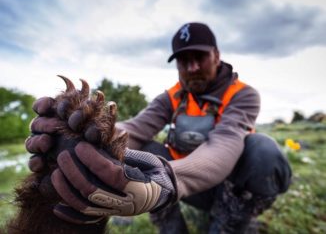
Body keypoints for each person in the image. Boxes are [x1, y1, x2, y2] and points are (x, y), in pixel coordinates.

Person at [26, 22, 292, 233]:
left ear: (217, 56)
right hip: (187, 191)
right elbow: (135, 128)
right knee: (146, 152)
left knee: (262, 150)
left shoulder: (243, 94)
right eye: (183, 60)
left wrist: (169, 178)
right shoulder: (173, 97)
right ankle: (172, 229)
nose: (192, 67)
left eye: (200, 57)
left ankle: (230, 223)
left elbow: (224, 142)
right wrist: (87, 137)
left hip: (231, 187)